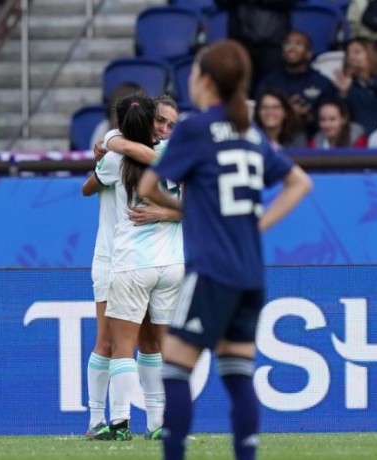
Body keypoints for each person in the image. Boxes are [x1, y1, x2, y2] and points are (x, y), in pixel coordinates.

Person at [137, 40, 313, 460]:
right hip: (250, 273)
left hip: (212, 270)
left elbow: (147, 186)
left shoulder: (196, 128)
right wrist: (258, 222)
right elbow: (300, 182)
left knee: (174, 368)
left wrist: (187, 208)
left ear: (206, 80)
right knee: (237, 375)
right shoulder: (249, 131)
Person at [81, 92, 185, 441]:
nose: (164, 129)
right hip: (133, 259)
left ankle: (123, 422)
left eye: (171, 125)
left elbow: (87, 188)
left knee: (130, 344)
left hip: (129, 262)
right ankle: (108, 420)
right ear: (147, 118)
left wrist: (111, 142)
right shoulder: (174, 156)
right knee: (119, 342)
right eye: (160, 121)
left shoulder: (116, 157)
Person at [254, 30, 338, 133]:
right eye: (287, 43)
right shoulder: (269, 81)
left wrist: (308, 117)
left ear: (309, 53)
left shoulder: (322, 83)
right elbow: (258, 113)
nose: (292, 48)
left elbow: (332, 118)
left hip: (311, 136)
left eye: (298, 44)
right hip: (273, 135)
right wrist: (285, 111)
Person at [334, 38, 377, 135]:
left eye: (357, 52)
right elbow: (338, 116)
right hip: (357, 137)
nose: (351, 57)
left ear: (371, 54)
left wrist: (369, 81)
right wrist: (343, 94)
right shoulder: (348, 83)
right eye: (348, 54)